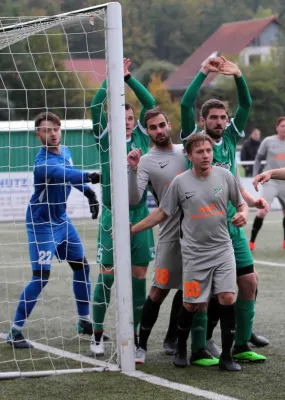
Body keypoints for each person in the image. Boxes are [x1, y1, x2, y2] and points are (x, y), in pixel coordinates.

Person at [131, 133, 246, 371]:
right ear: (189, 155)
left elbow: (241, 202)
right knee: (191, 304)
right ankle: (180, 346)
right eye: (200, 152)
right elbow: (162, 213)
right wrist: (132, 229)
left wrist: (243, 213)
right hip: (194, 254)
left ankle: (227, 356)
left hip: (223, 250)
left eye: (208, 151)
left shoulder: (225, 176)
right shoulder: (180, 182)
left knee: (227, 297)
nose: (205, 155)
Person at [180, 56, 268, 362]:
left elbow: (246, 105)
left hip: (232, 227)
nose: (219, 122)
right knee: (202, 295)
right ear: (203, 122)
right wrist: (204, 71)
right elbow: (186, 103)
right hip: (202, 229)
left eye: (222, 117)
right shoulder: (195, 141)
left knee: (249, 281)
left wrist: (239, 75)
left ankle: (241, 345)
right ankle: (198, 348)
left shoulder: (231, 138)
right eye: (213, 118)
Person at [127, 108, 218, 366]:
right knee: (159, 290)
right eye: (153, 127)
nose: (159, 130)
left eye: (162, 125)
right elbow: (135, 199)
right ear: (148, 132)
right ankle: (140, 346)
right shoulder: (145, 161)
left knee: (189, 287)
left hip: (197, 230)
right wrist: (133, 171)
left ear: (169, 125)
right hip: (168, 231)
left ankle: (174, 340)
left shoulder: (186, 151)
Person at [6, 112, 100, 348]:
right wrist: (91, 176)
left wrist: (88, 193)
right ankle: (15, 331)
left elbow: (71, 175)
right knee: (41, 277)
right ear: (38, 134)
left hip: (61, 220)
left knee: (82, 266)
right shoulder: (42, 163)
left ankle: (84, 321)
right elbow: (65, 174)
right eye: (47, 130)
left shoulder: (65, 151)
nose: (53, 133)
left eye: (56, 128)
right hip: (41, 224)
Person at [90, 58, 156, 356]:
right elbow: (95, 107)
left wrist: (128, 79)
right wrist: (110, 78)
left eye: (130, 117)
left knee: (139, 277)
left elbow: (150, 102)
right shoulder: (106, 138)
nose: (127, 120)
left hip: (140, 215)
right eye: (121, 116)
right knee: (108, 275)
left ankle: (137, 341)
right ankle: (97, 334)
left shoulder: (143, 136)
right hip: (111, 216)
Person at [250, 116, 285, 251]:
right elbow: (258, 159)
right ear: (277, 128)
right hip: (270, 181)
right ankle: (251, 243)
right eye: (282, 126)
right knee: (262, 211)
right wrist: (255, 175)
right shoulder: (268, 141)